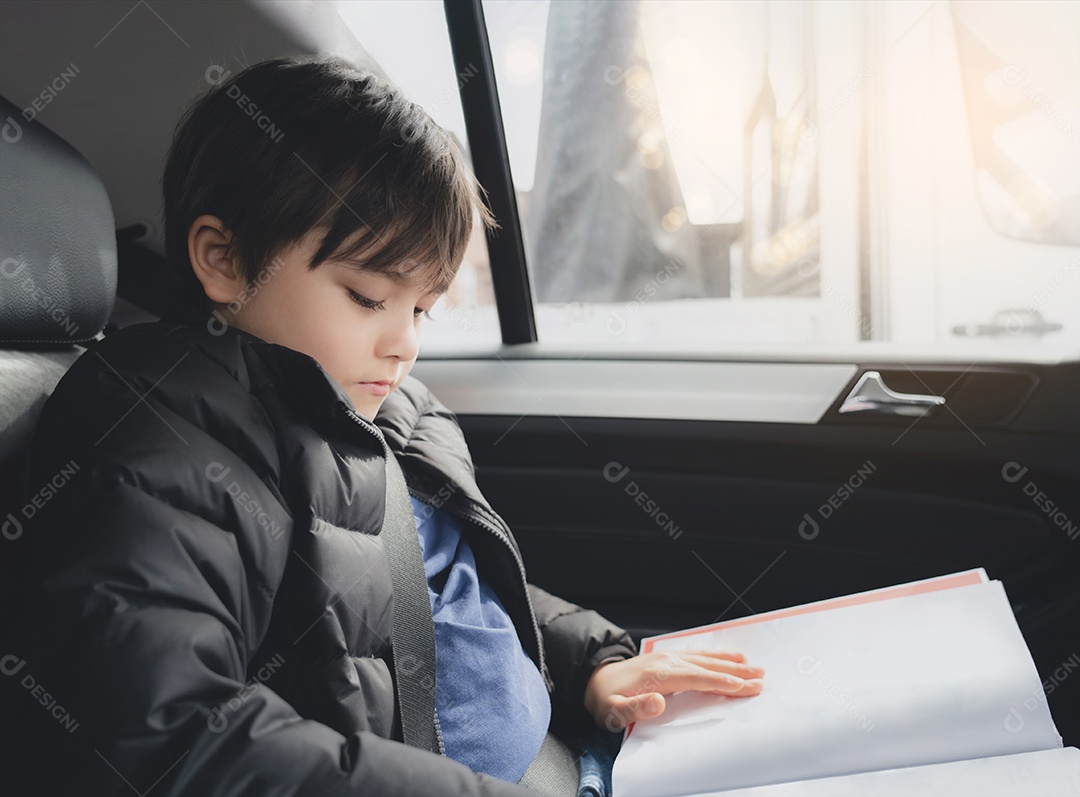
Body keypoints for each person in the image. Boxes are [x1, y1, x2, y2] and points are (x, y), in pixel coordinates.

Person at [4, 56, 764, 796]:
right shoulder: (159, 436)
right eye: (369, 297)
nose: (404, 341)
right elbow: (166, 728)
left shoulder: (387, 410)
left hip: (572, 757)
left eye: (423, 308)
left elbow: (447, 589)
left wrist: (591, 661)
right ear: (225, 261)